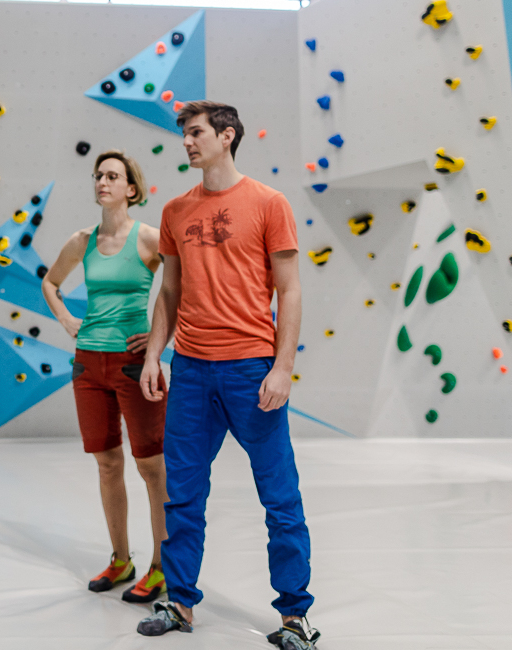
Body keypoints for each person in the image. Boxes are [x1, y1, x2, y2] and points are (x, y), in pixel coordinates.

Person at [134, 101, 319, 649]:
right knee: (183, 495)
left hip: (251, 371)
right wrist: (154, 355)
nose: (187, 143)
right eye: (185, 135)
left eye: (195, 133)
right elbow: (170, 291)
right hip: (190, 372)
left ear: (227, 135)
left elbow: (289, 289)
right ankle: (181, 603)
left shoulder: (269, 203)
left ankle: (294, 616)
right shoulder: (174, 211)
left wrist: (283, 367)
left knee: (279, 499)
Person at [42, 150, 169, 605]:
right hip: (88, 364)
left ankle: (161, 567)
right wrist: (66, 320)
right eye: (98, 175)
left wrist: (156, 344)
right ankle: (121, 560)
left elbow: (180, 291)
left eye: (112, 176)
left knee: (152, 467)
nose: (103, 181)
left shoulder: (150, 238)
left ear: (131, 189)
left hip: (133, 365)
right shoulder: (83, 240)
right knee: (107, 463)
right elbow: (50, 284)